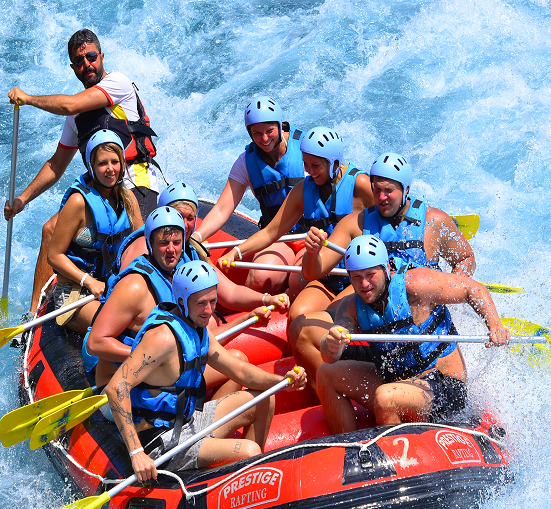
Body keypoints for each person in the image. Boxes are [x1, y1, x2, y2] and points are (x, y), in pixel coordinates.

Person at [6, 29, 160, 318]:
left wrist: (28, 99)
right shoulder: (75, 119)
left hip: (135, 183)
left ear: (101, 57)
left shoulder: (118, 84)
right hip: (102, 192)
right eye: (79, 61)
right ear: (73, 67)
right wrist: (22, 200)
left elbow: (70, 103)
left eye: (91, 57)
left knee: (130, 247)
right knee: (50, 230)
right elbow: (56, 165)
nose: (87, 64)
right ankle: (35, 316)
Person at [105, 260, 307, 480]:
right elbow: (116, 388)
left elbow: (239, 370)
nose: (209, 311)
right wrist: (136, 453)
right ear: (181, 301)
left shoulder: (197, 328)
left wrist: (283, 382)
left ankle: (244, 480)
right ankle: (236, 479)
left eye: (213, 301)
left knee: (265, 399)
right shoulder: (162, 338)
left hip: (187, 421)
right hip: (160, 439)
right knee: (250, 451)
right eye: (202, 303)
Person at [289, 151, 475, 386]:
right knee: (300, 328)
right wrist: (313, 252)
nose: (381, 197)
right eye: (376, 190)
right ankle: (330, 392)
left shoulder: (434, 222)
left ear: (406, 189)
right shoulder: (355, 223)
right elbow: (313, 272)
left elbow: (466, 258)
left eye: (389, 190)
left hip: (418, 325)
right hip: (374, 321)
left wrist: (447, 289)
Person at [313, 236, 509, 434]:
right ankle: (347, 447)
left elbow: (471, 288)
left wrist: (495, 325)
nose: (364, 284)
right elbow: (330, 354)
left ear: (385, 269)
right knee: (326, 373)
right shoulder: (350, 307)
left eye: (370, 274)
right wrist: (331, 343)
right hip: (397, 383)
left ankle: (396, 458)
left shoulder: (416, 285)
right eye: (356, 277)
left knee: (385, 397)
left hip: (443, 390)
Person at [86, 207, 273, 394]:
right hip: (123, 384)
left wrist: (247, 318)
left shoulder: (179, 277)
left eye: (176, 242)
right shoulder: (135, 286)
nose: (171, 250)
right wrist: (150, 357)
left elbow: (201, 340)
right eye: (163, 243)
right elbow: (95, 343)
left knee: (237, 360)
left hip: (159, 374)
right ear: (150, 244)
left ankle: (199, 421)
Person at [218, 126, 373, 322]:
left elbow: (392, 216)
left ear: (333, 162)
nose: (308, 172)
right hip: (326, 275)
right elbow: (271, 232)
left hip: (358, 276)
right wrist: (237, 251)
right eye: (305, 164)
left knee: (339, 318)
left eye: (315, 166)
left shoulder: (361, 185)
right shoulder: (303, 190)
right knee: (296, 317)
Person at [116, 181, 291, 326]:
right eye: (178, 216)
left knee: (211, 322)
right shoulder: (143, 247)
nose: (184, 225)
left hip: (173, 331)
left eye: (190, 218)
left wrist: (268, 299)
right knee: (211, 323)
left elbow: (230, 293)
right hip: (150, 336)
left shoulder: (190, 250)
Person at [192, 96, 305, 293]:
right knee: (260, 277)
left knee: (300, 280)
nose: (264, 139)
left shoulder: (306, 149)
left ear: (280, 125)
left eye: (270, 131)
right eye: (257, 133)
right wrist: (196, 236)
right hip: (277, 236)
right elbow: (222, 208)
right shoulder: (245, 162)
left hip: (314, 234)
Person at [46, 130, 142, 333]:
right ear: (91, 166)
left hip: (112, 283)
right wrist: (88, 281)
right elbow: (54, 255)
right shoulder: (78, 202)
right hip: (75, 291)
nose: (110, 169)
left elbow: (141, 244)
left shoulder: (128, 199)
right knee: (119, 328)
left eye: (115, 162)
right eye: (102, 163)